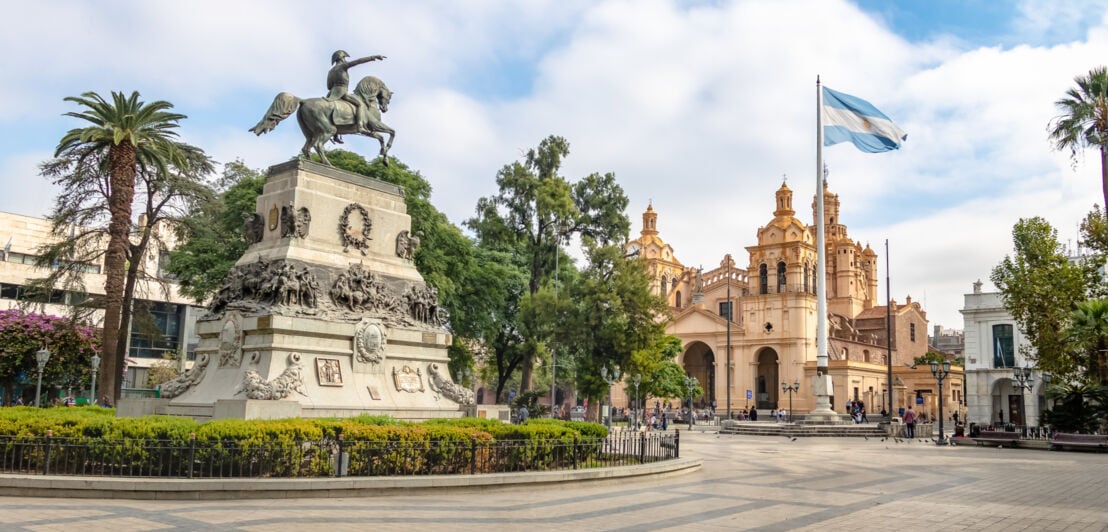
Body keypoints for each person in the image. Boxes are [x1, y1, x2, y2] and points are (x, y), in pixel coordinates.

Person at [325, 50, 386, 143]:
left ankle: (336, 135)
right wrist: (373, 57)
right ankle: (360, 126)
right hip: (342, 92)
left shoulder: (330, 71)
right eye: (344, 58)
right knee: (360, 104)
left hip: (331, 93)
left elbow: (329, 86)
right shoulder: (342, 66)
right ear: (341, 58)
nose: (345, 60)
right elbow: (358, 61)